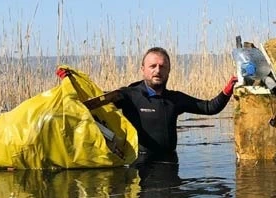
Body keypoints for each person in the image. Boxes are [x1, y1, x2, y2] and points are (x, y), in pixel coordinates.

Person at [58, 47, 237, 165]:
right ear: (143, 68)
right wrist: (71, 82)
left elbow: (209, 108)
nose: (157, 70)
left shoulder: (175, 99)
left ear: (168, 71)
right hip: (138, 165)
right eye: (153, 66)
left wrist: (229, 87)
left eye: (162, 66)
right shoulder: (127, 95)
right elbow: (92, 102)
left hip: (170, 163)